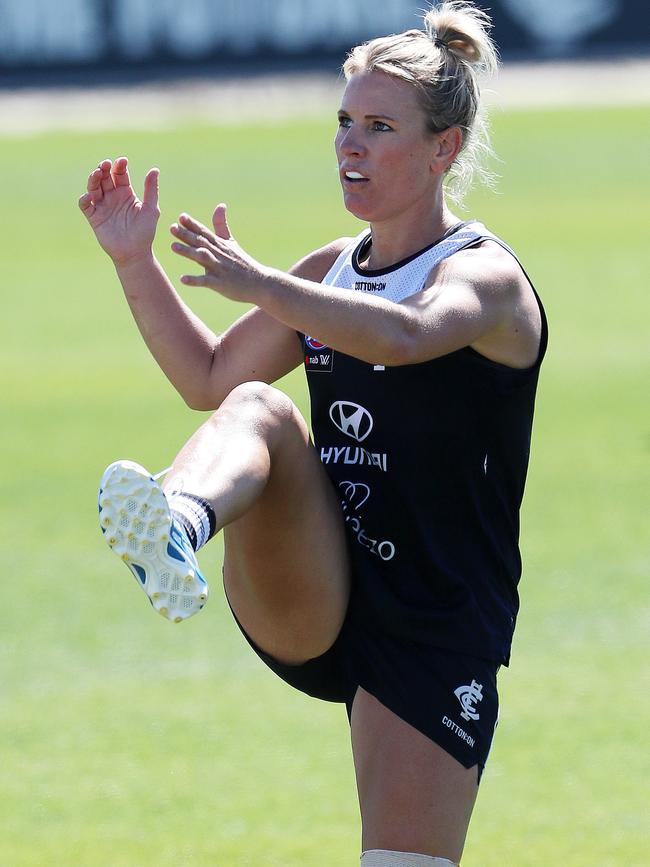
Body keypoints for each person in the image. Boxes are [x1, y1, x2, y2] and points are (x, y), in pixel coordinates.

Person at [79, 2, 547, 864]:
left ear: (443, 149)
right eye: (342, 123)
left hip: (434, 620)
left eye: (378, 126)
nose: (349, 145)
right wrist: (134, 262)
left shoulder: (486, 278)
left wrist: (266, 285)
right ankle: (177, 524)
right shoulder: (329, 270)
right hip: (318, 581)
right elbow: (209, 380)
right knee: (258, 408)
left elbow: (405, 333)